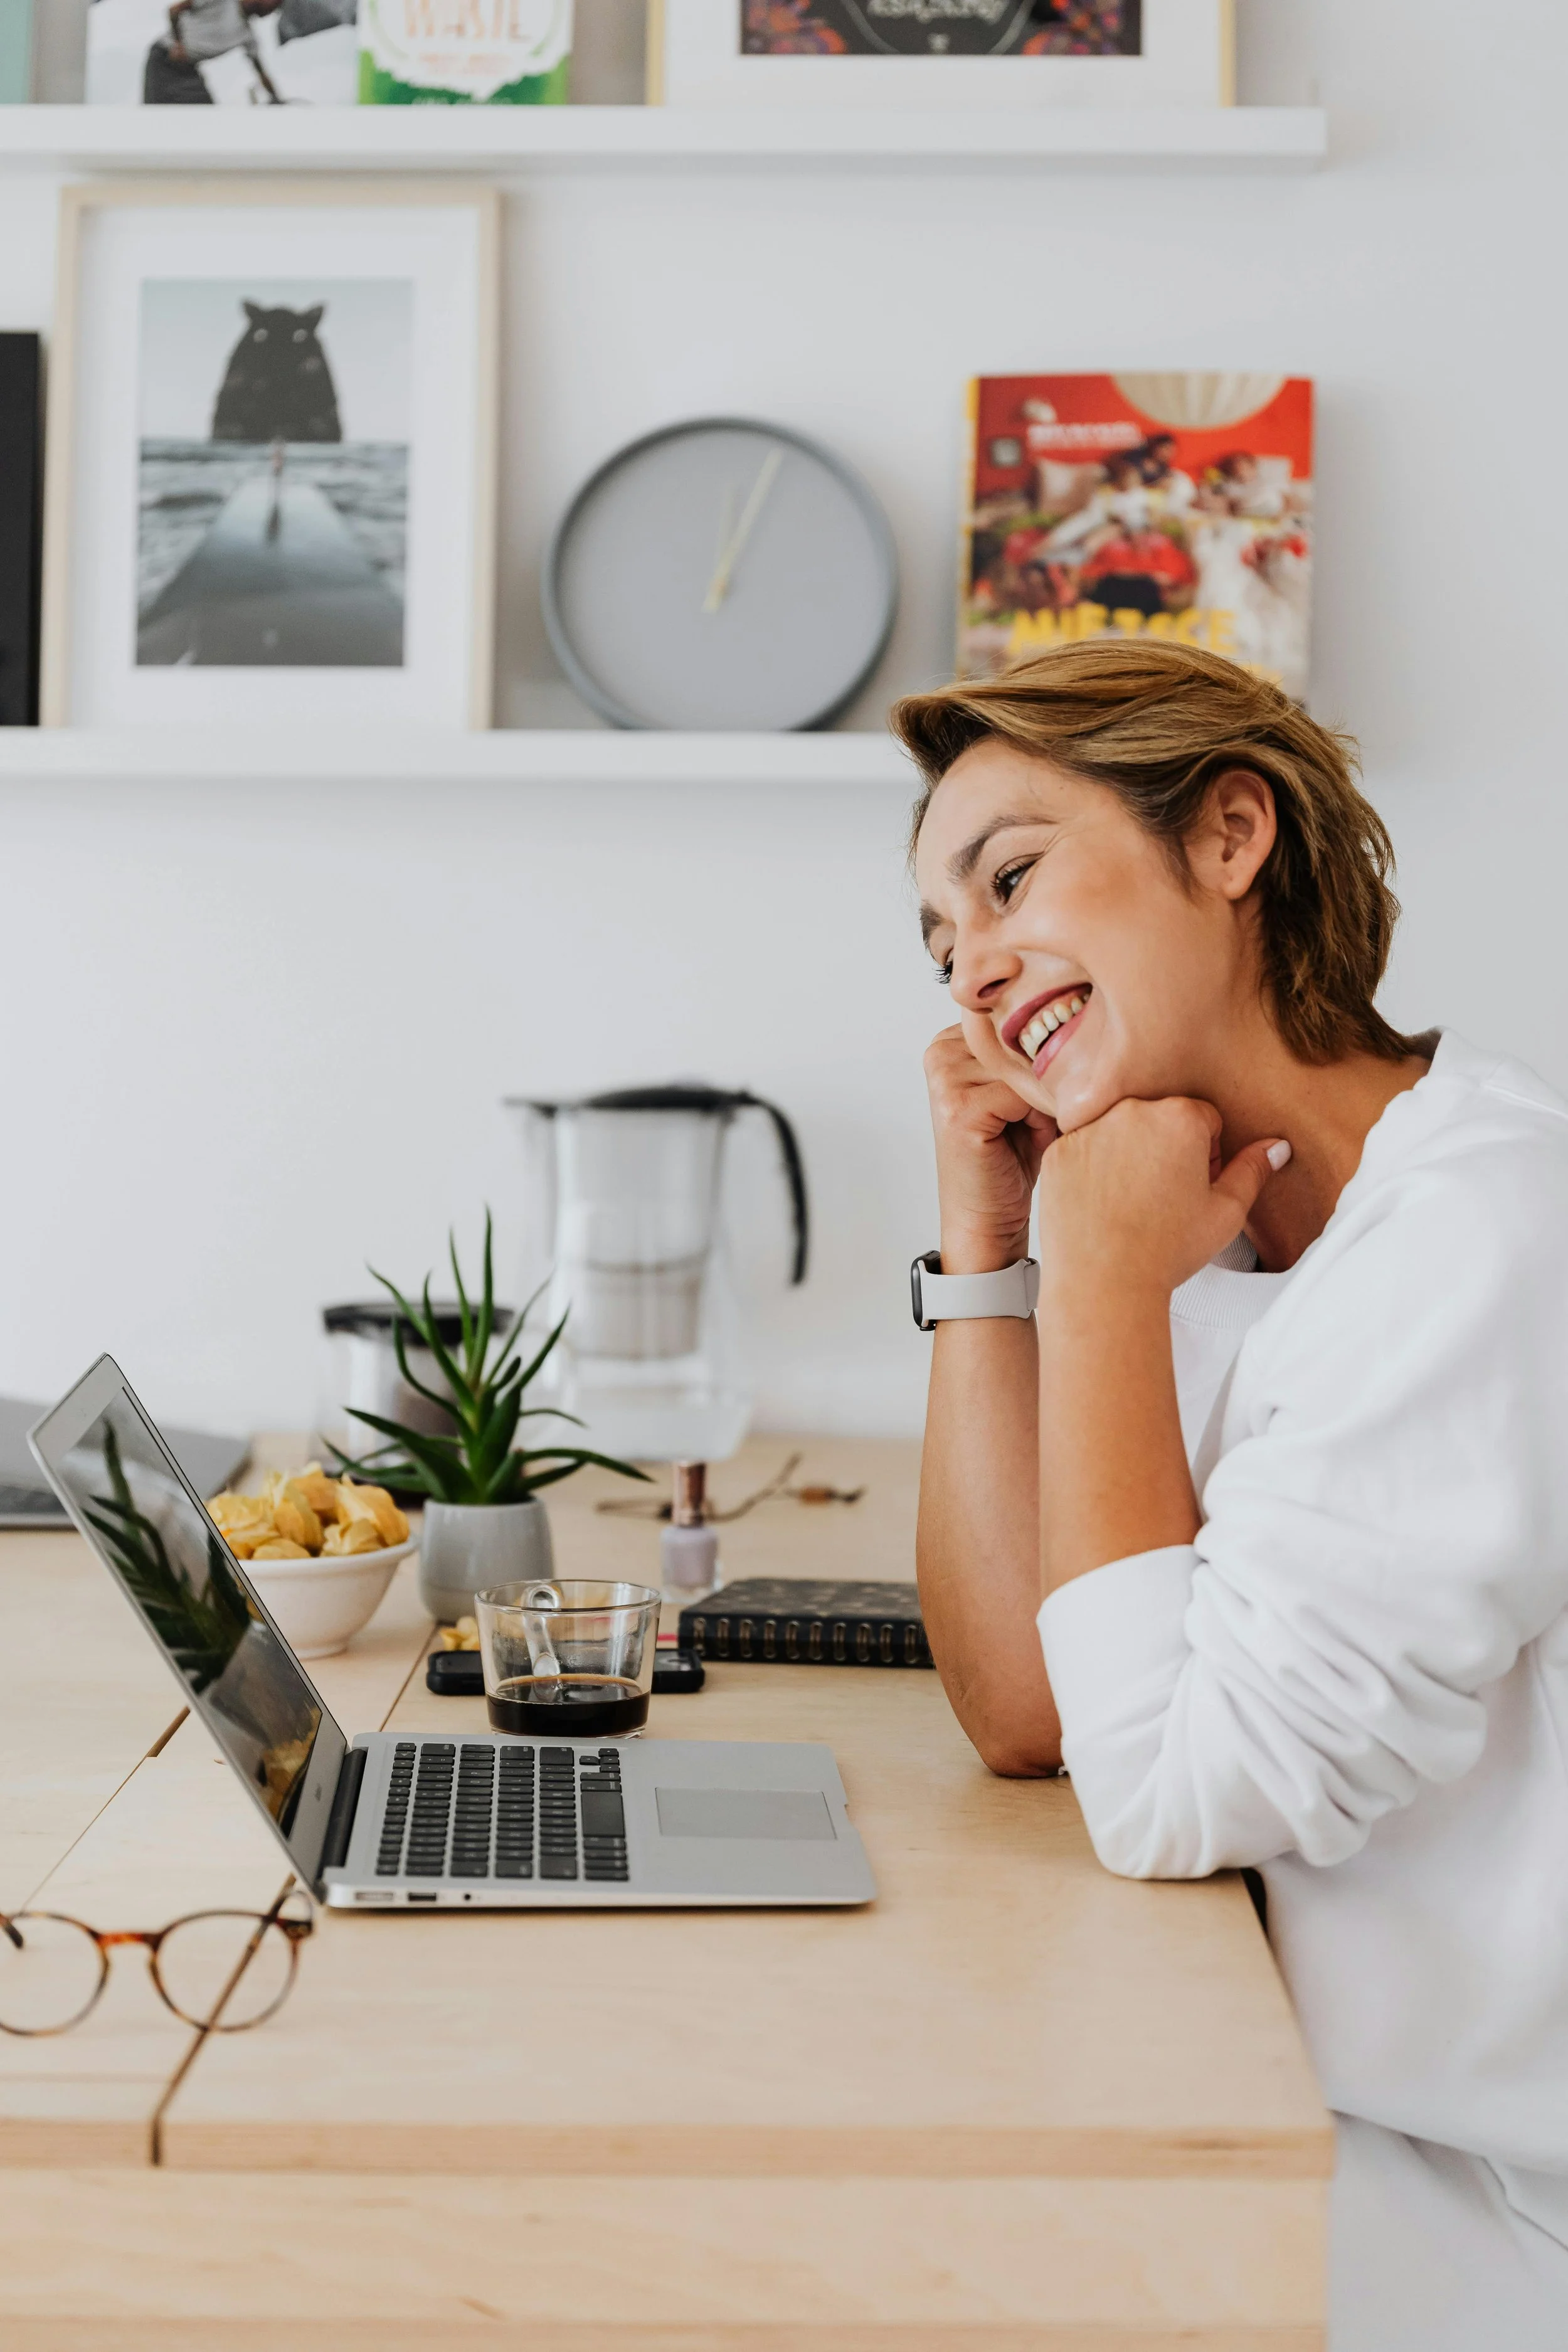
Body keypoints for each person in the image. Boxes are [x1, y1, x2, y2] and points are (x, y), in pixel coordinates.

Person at [901, 636, 1568, 2351]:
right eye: (938, 939)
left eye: (1007, 878)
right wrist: (992, 1249)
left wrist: (1097, 1289)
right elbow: (1038, 1707)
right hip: (1317, 2095)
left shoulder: (1476, 1228)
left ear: (1226, 837)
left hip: (1498, 2197)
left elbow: (1176, 1788)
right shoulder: (1209, 1226)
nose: (971, 969)